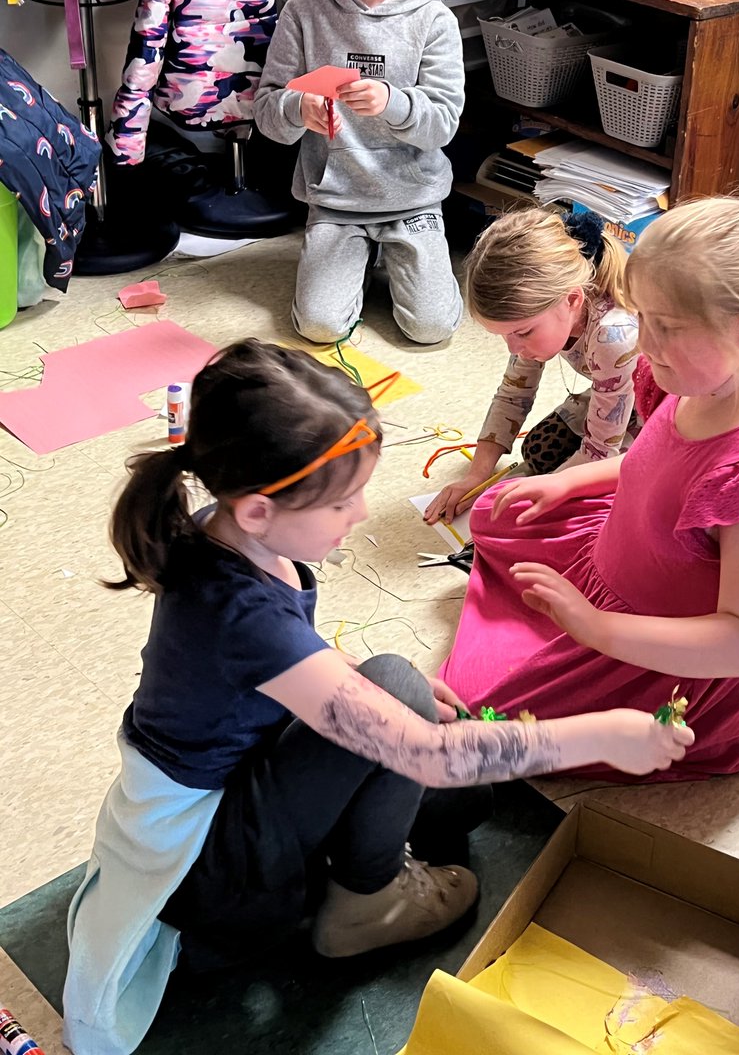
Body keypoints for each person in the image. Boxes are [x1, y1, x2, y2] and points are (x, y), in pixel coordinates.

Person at [62, 339, 693, 1055]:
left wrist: (353, 673)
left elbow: (277, 663)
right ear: (260, 510)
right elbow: (427, 755)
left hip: (236, 804)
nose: (361, 513)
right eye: (341, 501)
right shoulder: (240, 609)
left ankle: (359, 848)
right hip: (219, 878)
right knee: (405, 699)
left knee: (451, 773)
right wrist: (603, 734)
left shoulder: (229, 533)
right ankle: (366, 905)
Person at [439, 198, 739, 781]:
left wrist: (596, 626)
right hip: (618, 562)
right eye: (643, 317)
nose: (644, 345)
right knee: (497, 513)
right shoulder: (699, 382)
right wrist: (568, 480)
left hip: (675, 655)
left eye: (665, 327)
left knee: (479, 714)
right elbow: (649, 461)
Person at [254, 0, 464, 346]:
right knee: (320, 327)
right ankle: (358, 263)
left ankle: (399, 259)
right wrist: (298, 108)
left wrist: (392, 102)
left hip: (412, 198)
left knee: (431, 327)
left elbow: (443, 123)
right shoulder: (304, 11)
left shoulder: (433, 20)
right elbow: (266, 110)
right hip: (336, 202)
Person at [424, 208, 638, 527]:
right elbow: (513, 395)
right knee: (540, 451)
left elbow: (599, 453)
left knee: (598, 503)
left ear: (572, 300)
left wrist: (545, 494)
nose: (513, 348)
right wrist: (476, 476)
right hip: (619, 395)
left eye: (522, 333)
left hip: (664, 413)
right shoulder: (547, 310)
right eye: (505, 335)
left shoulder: (613, 335)